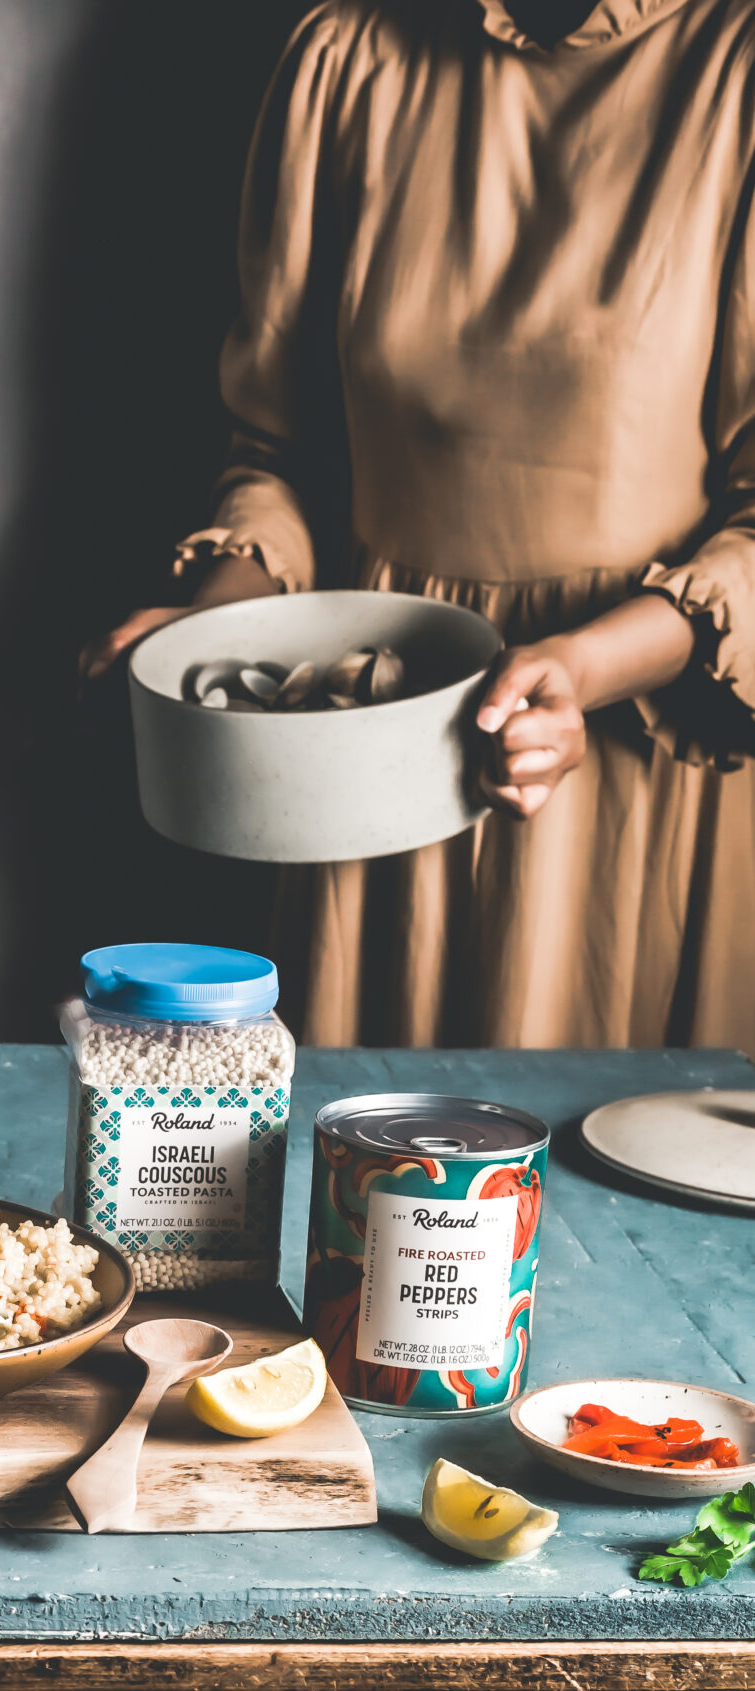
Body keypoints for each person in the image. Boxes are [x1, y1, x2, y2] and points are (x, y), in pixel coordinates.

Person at [84, 0, 755, 1048]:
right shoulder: (346, 56)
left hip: (636, 764)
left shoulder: (737, 64)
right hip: (362, 757)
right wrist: (208, 633)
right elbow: (280, 453)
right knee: (347, 1173)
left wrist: (583, 666)